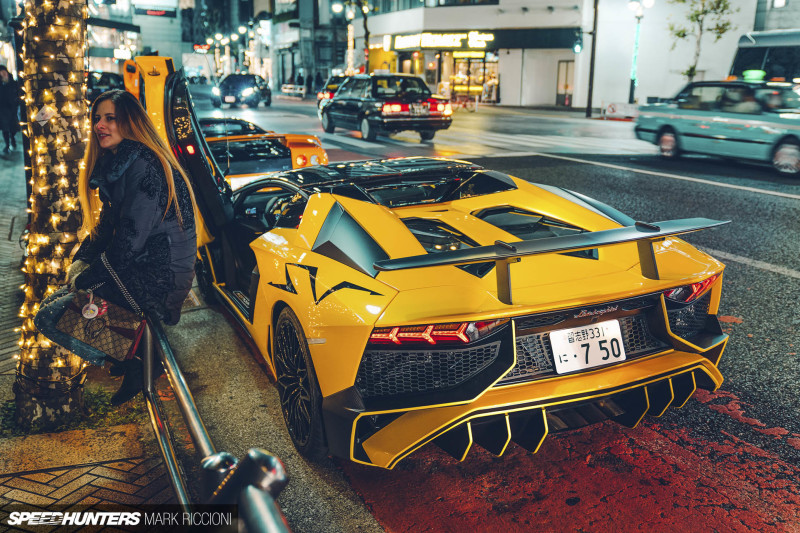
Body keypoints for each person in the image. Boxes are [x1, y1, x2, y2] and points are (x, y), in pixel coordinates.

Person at [68, 89, 198, 404]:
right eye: (97, 118)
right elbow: (106, 227)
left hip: (163, 274)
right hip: (147, 262)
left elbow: (128, 241)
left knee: (68, 309)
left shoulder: (145, 165)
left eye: (110, 118)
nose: (100, 125)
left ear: (130, 123)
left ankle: (137, 361)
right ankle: (131, 358)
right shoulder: (121, 163)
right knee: (79, 287)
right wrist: (79, 260)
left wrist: (85, 279)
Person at [0, 65, 20, 154]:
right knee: (5, 129)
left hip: (12, 108)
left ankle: (12, 139)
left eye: (4, 71)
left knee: (13, 128)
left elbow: (18, 93)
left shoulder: (13, 82)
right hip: (3, 109)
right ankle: (7, 145)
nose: (3, 73)